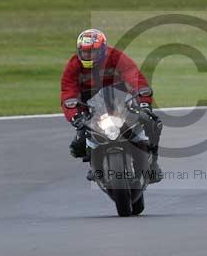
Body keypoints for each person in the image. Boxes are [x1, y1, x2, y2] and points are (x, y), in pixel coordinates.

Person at [60, 28, 162, 182]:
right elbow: (68, 91)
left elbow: (134, 75)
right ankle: (95, 166)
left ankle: (153, 163)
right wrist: (74, 115)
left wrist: (144, 102)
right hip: (90, 105)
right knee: (78, 145)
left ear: (102, 50)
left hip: (119, 100)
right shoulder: (74, 64)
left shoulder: (116, 57)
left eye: (92, 52)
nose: (87, 56)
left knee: (151, 122)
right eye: (84, 52)